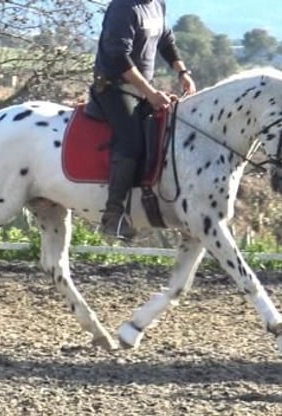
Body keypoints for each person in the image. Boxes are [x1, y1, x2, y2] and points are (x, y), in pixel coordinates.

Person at [90, 0, 197, 240]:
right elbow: (119, 57)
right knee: (132, 142)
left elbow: (166, 40)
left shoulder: (157, 5)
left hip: (140, 89)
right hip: (113, 88)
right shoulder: (123, 8)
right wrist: (150, 93)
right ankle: (113, 215)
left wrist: (182, 72)